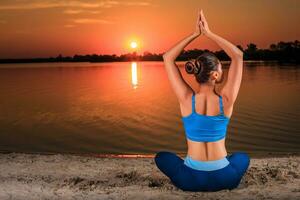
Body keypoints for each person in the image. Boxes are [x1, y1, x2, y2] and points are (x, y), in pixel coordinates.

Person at [154, 9, 250, 192]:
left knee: (161, 157)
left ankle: (195, 169)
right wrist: (209, 33)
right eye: (221, 69)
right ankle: (220, 164)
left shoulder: (186, 99)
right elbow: (238, 56)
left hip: (190, 180)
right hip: (225, 178)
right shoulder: (226, 100)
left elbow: (167, 58)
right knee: (242, 157)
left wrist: (194, 34)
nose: (222, 71)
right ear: (215, 74)